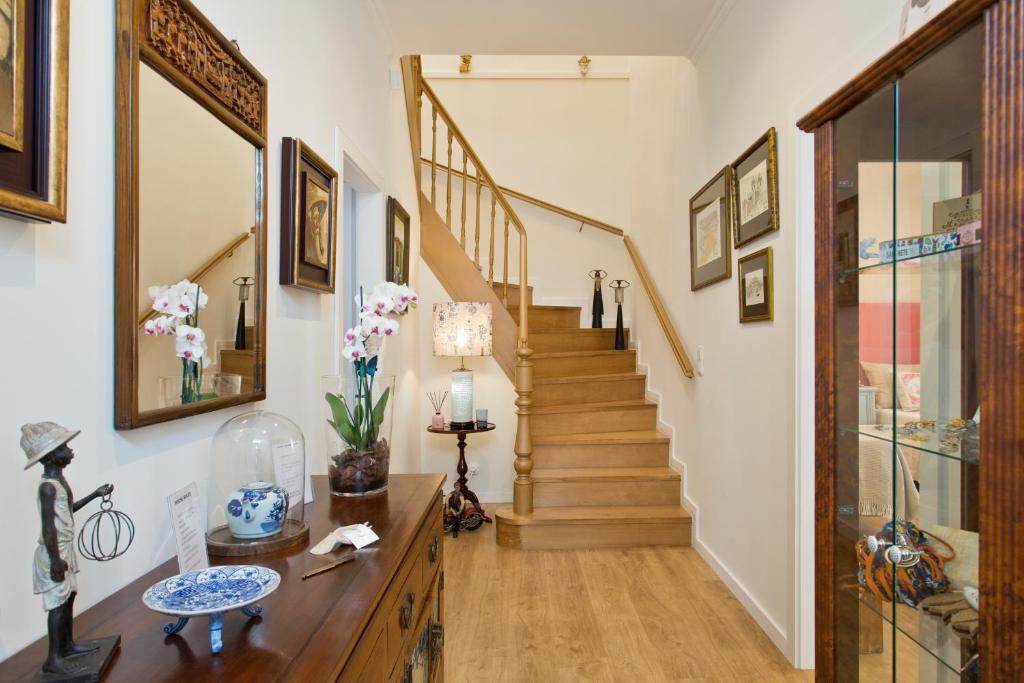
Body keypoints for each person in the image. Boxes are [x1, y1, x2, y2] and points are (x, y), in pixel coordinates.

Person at [21, 421, 112, 675]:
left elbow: (67, 512)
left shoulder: (59, 482)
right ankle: (54, 658)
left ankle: (67, 645)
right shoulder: (48, 488)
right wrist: (55, 560)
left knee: (69, 596)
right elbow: (48, 528)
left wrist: (95, 494)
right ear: (51, 456)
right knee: (57, 604)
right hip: (55, 552)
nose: (70, 451)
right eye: (64, 448)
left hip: (63, 550)